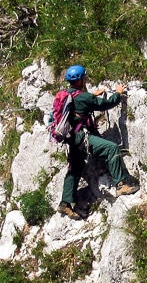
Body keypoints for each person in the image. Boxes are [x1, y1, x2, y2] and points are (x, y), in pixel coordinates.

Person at [57, 64, 140, 220]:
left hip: (71, 139)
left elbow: (81, 104)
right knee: (112, 148)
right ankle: (121, 184)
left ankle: (65, 203)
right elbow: (106, 104)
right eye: (85, 77)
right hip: (83, 137)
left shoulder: (67, 95)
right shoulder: (84, 97)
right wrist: (118, 93)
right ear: (82, 80)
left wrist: (93, 95)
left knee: (75, 169)